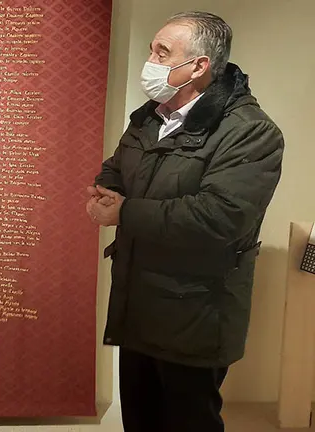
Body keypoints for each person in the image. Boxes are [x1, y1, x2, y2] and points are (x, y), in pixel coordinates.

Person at [86, 11, 284, 432]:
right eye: (151, 50)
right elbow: (117, 167)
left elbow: (219, 216)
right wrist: (104, 189)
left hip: (196, 309)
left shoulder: (250, 131)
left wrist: (124, 211)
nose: (151, 61)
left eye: (163, 52)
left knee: (187, 420)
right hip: (138, 300)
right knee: (141, 417)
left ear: (199, 66)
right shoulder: (150, 115)